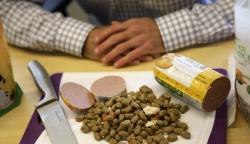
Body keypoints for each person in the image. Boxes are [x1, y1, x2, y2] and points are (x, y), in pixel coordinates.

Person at [0, 0, 234, 68]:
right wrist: (84, 38)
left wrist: (167, 31)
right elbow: (7, 8)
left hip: (198, 49)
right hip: (104, 57)